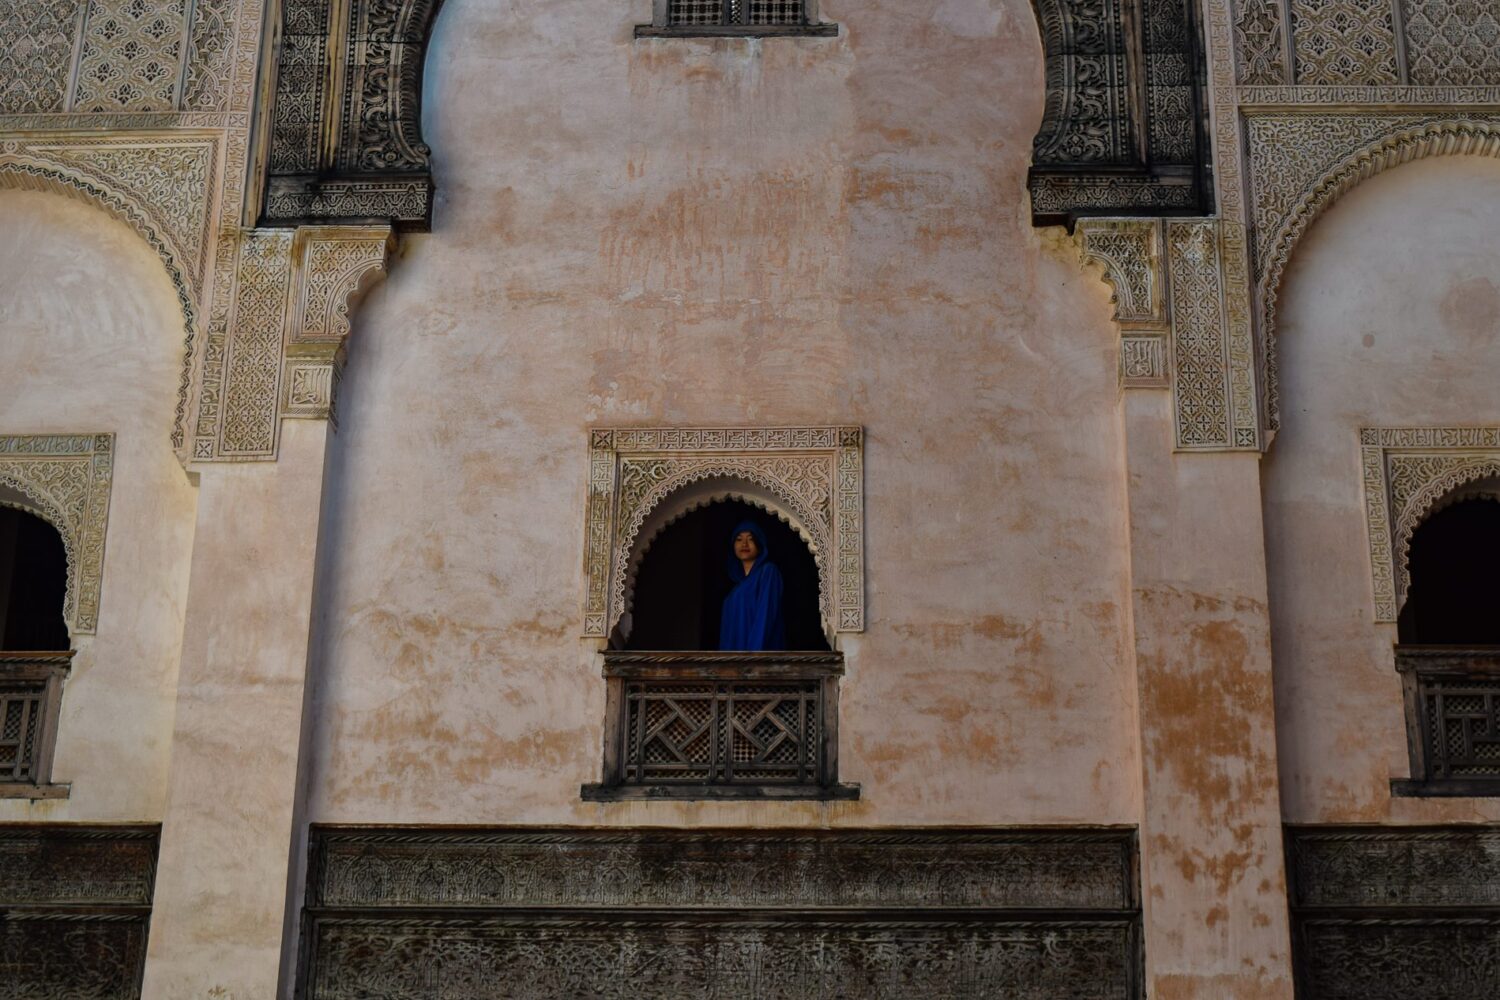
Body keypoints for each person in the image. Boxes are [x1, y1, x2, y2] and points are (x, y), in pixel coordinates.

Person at [719, 520, 785, 651]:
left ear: (759, 544)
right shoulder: (732, 595)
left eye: (750, 539)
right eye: (739, 539)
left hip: (759, 662)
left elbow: (765, 619)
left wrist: (753, 658)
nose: (744, 544)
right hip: (735, 666)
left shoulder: (768, 572)